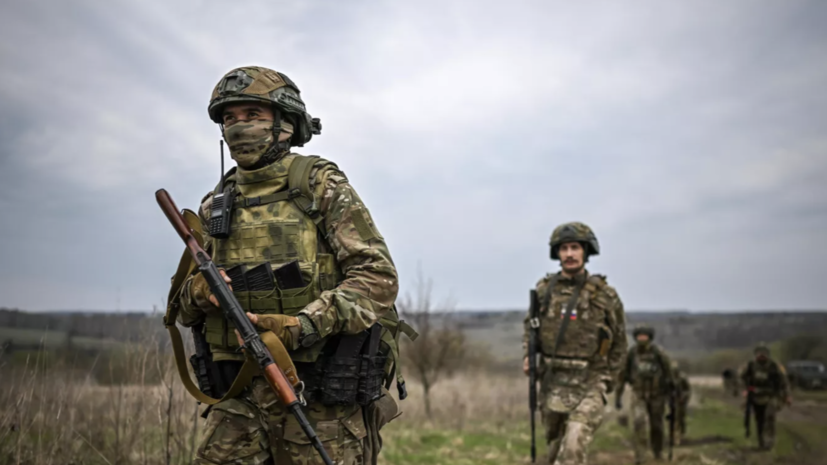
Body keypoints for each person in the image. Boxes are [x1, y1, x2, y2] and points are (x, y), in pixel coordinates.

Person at [169, 66, 410, 465]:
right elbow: (181, 308)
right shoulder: (217, 203)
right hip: (239, 393)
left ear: (285, 123)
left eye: (253, 116)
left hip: (318, 395)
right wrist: (199, 292)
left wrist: (303, 325)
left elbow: (377, 277)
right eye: (230, 118)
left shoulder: (318, 185)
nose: (239, 127)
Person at [522, 222, 627, 465]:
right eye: (564, 249)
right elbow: (531, 327)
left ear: (586, 251)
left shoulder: (605, 296)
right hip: (553, 381)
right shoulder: (544, 291)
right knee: (554, 448)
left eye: (575, 248)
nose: (569, 254)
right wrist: (528, 355)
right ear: (557, 253)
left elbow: (620, 343)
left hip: (590, 380)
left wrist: (606, 380)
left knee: (573, 447)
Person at [615, 325, 674, 464]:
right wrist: (618, 396)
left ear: (649, 338)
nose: (642, 338)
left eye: (645, 336)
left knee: (657, 426)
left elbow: (669, 374)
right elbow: (622, 376)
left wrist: (671, 391)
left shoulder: (658, 353)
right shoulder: (631, 354)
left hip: (657, 395)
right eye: (639, 336)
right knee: (638, 422)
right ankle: (640, 456)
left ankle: (657, 451)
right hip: (638, 395)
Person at [739, 343, 791, 451]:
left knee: (770, 416)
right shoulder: (750, 365)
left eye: (764, 353)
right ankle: (761, 442)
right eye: (759, 352)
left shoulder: (774, 366)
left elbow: (784, 381)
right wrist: (744, 390)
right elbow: (741, 378)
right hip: (755, 396)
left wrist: (787, 396)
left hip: (771, 396)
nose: (761, 355)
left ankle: (769, 441)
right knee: (759, 419)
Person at [671, 361, 691, 445]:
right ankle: (674, 436)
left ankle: (681, 435)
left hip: (681, 401)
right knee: (673, 418)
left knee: (680, 418)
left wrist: (684, 398)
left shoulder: (682, 377)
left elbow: (688, 390)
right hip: (672, 400)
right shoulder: (669, 378)